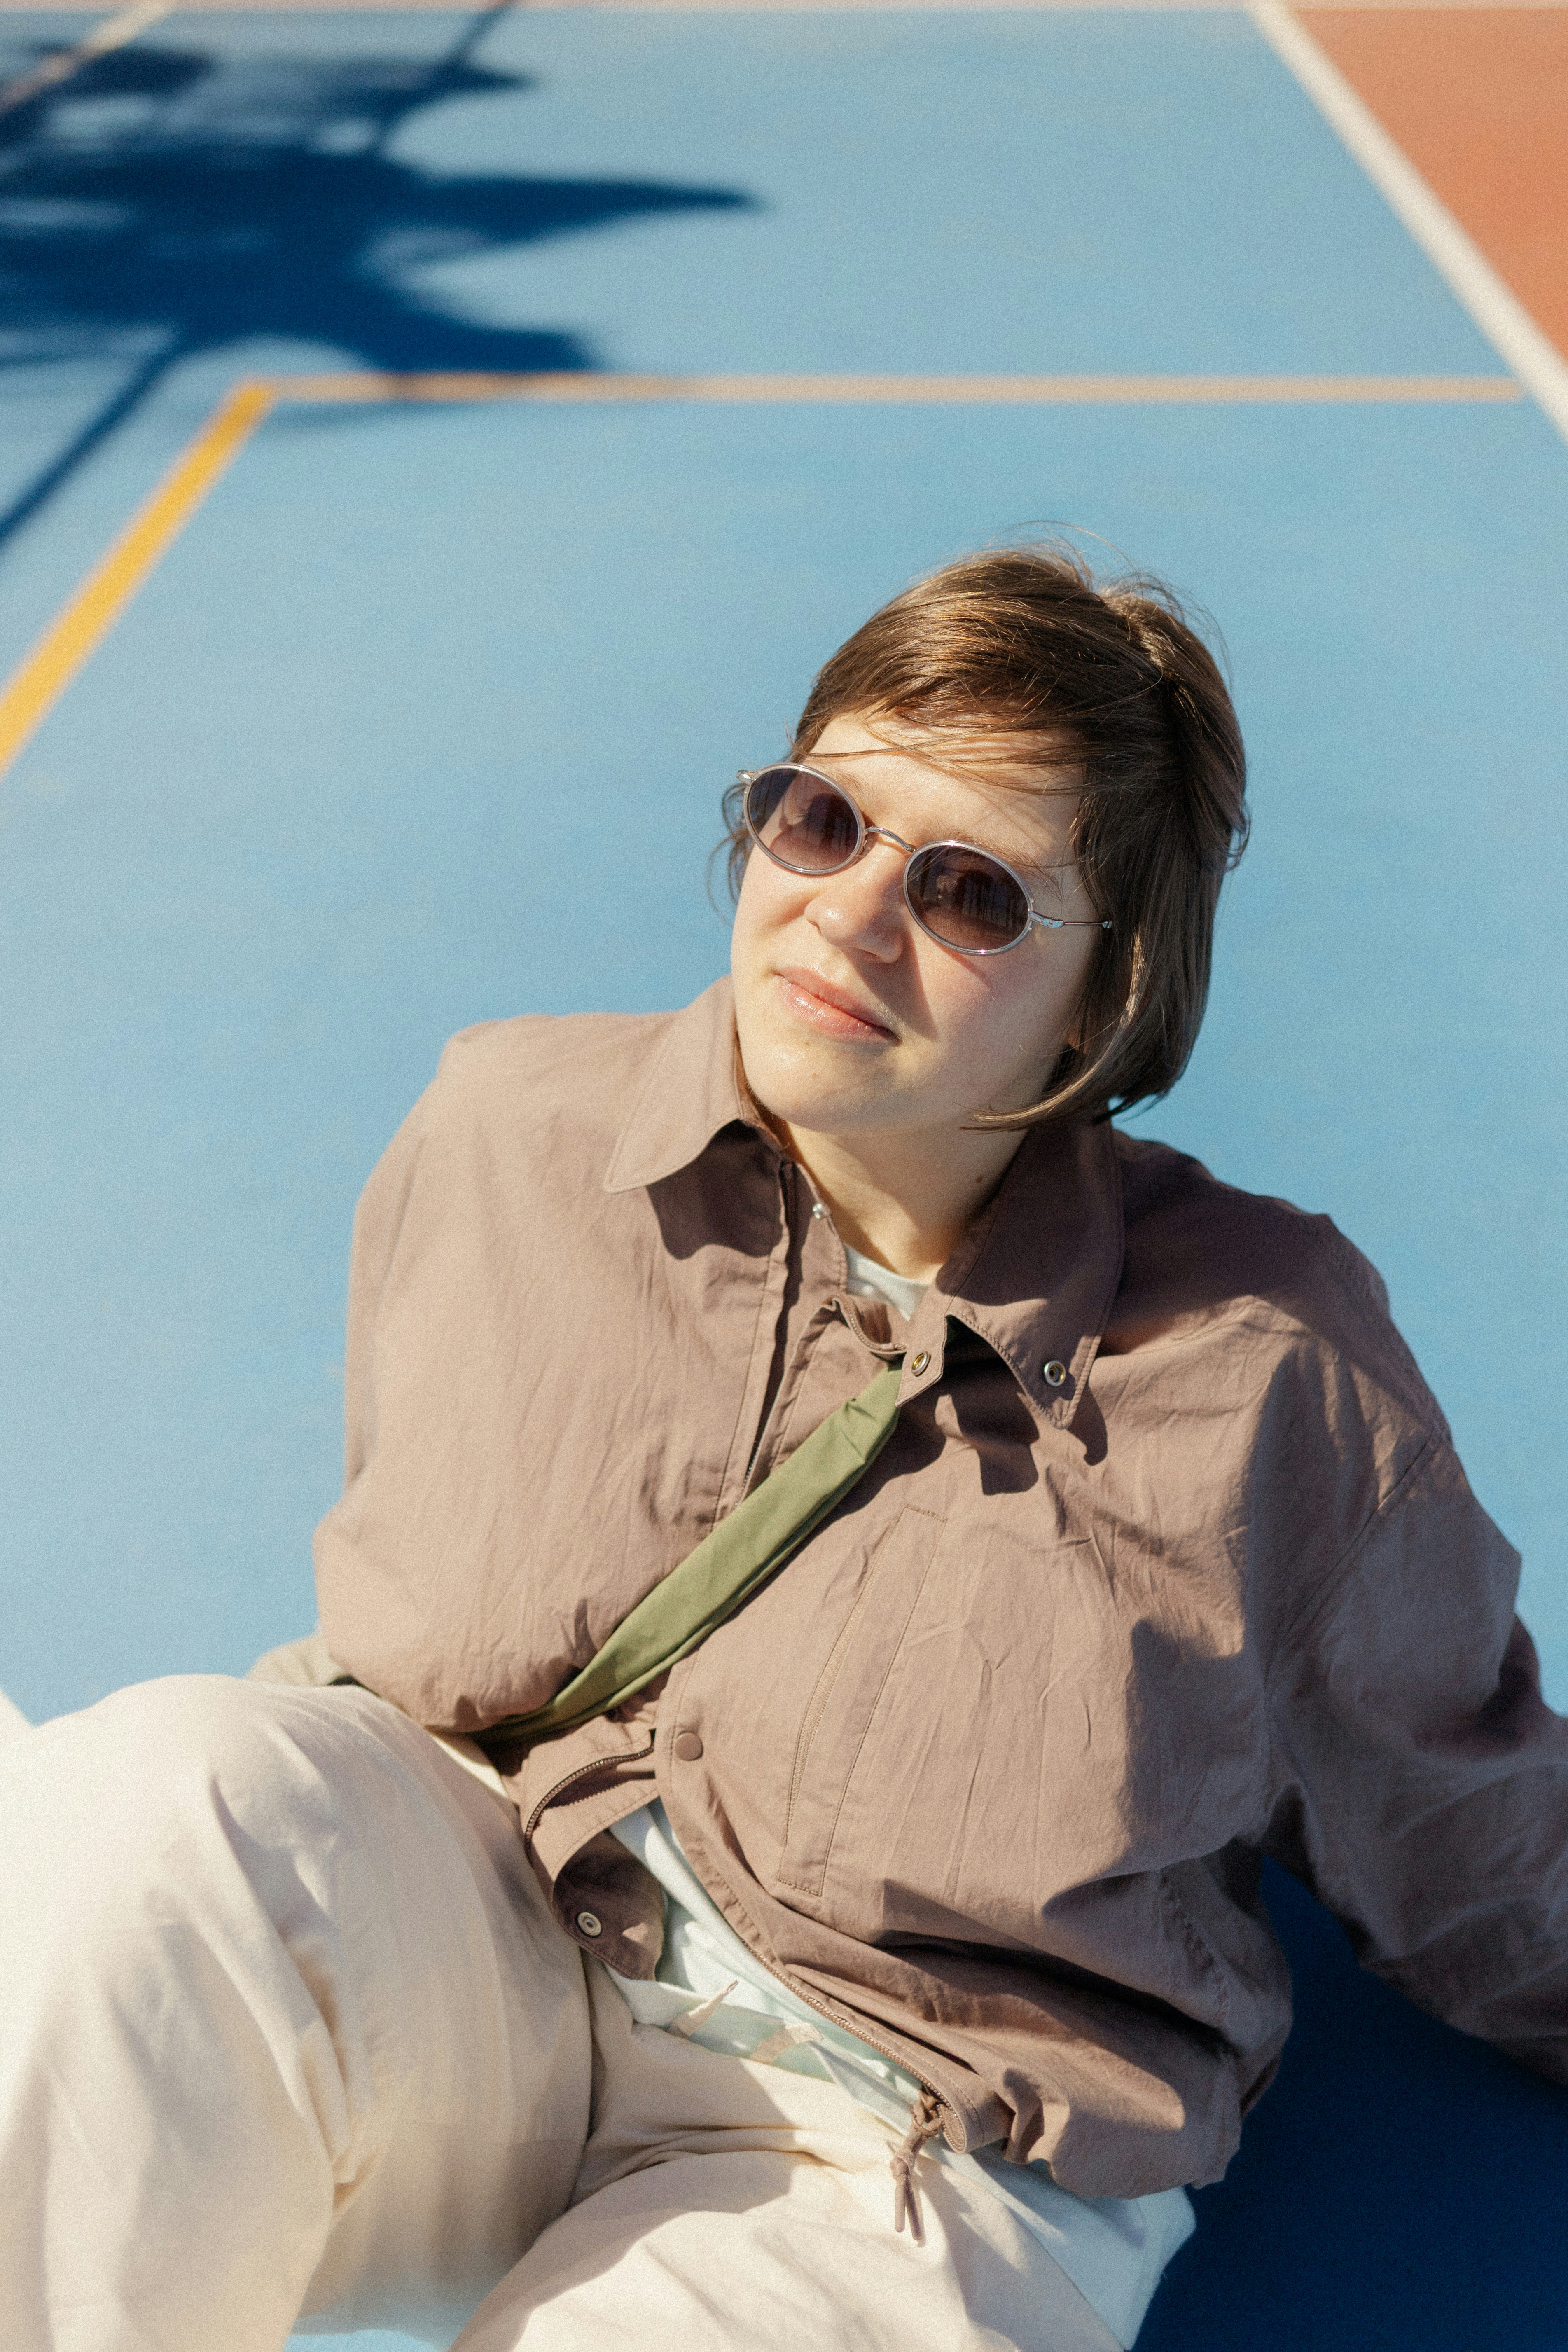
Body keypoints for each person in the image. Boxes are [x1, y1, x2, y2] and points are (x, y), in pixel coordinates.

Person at [3, 547, 1565, 2352]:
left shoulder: (1269, 1370)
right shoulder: (510, 1131)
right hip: (495, 1928)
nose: (846, 913)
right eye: (821, 818)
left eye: (971, 890)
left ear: (1107, 1001)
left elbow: (1464, 1821)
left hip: (892, 2132)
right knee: (151, 1807)